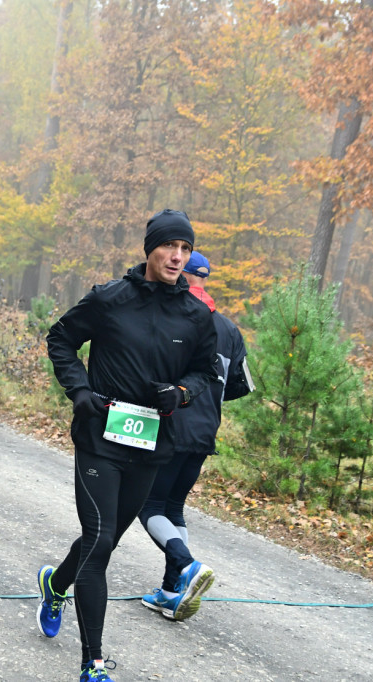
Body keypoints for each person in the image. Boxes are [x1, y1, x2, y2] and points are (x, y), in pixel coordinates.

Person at [35, 209, 217, 682]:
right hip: (100, 438)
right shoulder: (110, 298)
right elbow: (60, 339)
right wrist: (80, 392)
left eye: (184, 248)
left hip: (152, 443)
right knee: (99, 544)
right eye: (169, 246)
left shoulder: (196, 313)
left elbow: (204, 371)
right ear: (150, 249)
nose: (178, 256)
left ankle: (55, 584)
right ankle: (92, 663)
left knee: (109, 535)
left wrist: (181, 393)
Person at [137, 251, 253, 620]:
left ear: (181, 273)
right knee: (173, 508)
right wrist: (210, 398)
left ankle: (187, 565)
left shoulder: (177, 314)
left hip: (170, 424)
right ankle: (172, 592)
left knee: (149, 506)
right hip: (205, 430)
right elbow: (242, 384)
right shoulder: (230, 329)